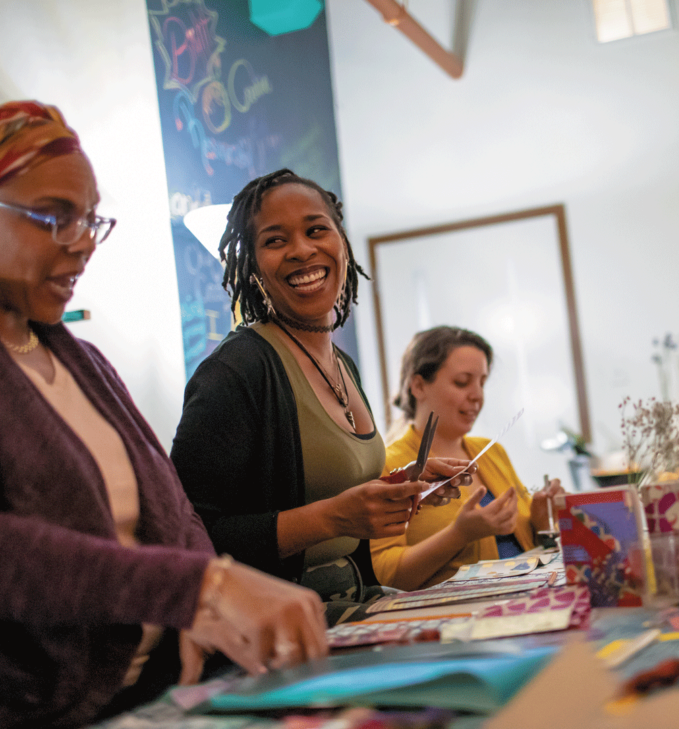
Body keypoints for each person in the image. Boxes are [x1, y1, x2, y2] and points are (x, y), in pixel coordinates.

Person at [0, 101, 327, 728]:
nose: (84, 243)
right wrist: (200, 589)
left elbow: (173, 508)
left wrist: (211, 582)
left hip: (162, 695)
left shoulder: (82, 362)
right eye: (53, 217)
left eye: (92, 219)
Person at [171, 170, 468, 625]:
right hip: (280, 627)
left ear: (341, 242)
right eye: (275, 240)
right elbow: (189, 534)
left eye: (316, 230)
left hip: (358, 602)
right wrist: (333, 519)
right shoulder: (237, 372)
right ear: (251, 263)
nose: (302, 250)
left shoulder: (342, 366)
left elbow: (332, 491)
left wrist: (396, 486)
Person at [371, 326, 563, 589]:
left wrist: (544, 520)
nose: (477, 395)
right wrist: (458, 535)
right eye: (462, 382)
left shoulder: (492, 451)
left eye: (482, 382)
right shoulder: (388, 466)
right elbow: (384, 576)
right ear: (417, 385)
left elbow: (529, 548)